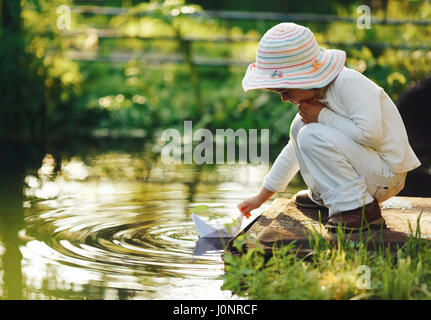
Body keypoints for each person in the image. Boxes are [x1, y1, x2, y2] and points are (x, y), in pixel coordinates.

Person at [237, 22, 421, 231]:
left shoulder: (349, 83)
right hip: (368, 171)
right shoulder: (319, 98)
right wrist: (260, 197)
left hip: (387, 174)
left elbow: (370, 136)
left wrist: (322, 116)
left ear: (306, 77)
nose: (284, 99)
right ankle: (328, 196)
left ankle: (358, 209)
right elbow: (292, 153)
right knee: (300, 128)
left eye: (285, 90)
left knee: (310, 135)